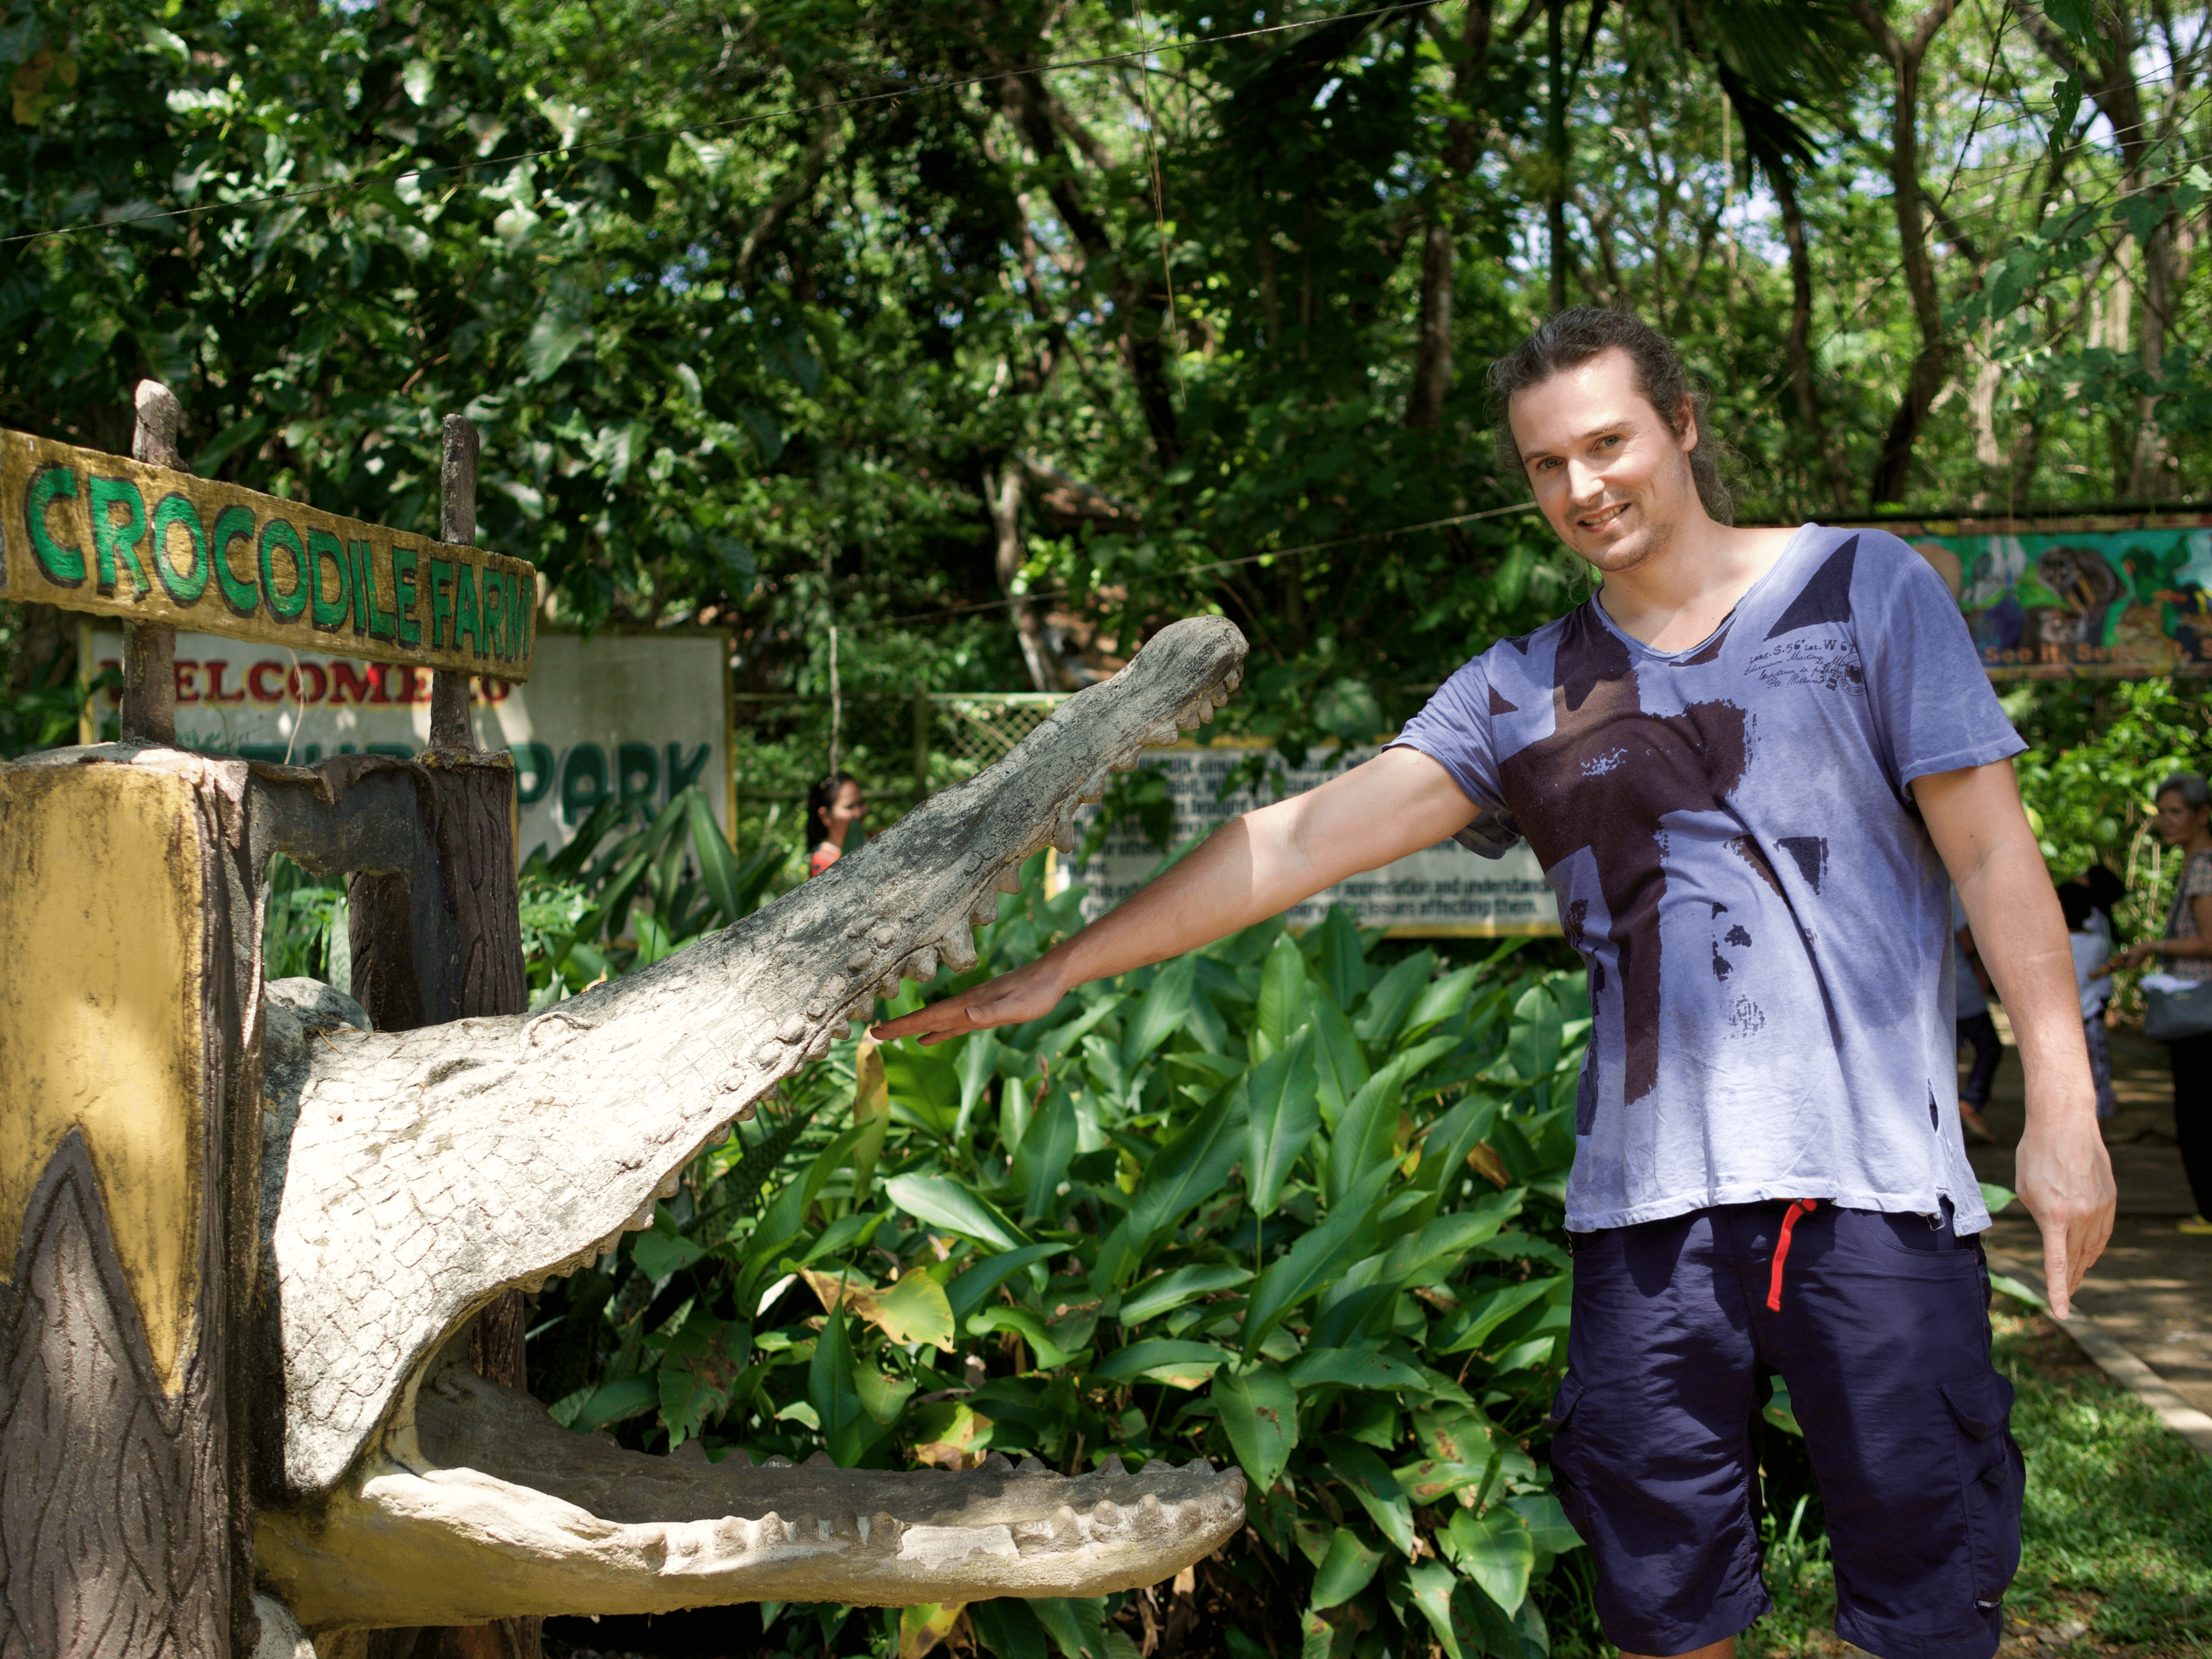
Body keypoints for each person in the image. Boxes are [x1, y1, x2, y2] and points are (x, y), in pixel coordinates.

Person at [879, 308, 2115, 1659]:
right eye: (1547, 465)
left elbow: (1995, 856)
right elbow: (1292, 841)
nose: (1585, 488)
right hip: (1646, 1224)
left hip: (1873, 1195)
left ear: (1683, 425)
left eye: (1609, 443)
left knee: (1929, 1611)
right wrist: (1062, 966)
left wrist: (2063, 1104)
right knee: (1664, 1613)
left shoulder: (1866, 587)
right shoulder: (1522, 690)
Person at [2115, 772, 2212, 1234]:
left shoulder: (2203, 866)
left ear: (2203, 816)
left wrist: (2155, 947)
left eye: (2177, 812)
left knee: (2196, 1113)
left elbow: (2210, 941)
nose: (2167, 822)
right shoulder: (2195, 862)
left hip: (2200, 1011)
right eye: (2163, 813)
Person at [2057, 880, 2117, 1119]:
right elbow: (2104, 988)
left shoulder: (2053, 943)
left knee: (2062, 1078)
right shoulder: (2098, 944)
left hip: (2059, 1022)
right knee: (2097, 1076)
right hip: (2090, 1019)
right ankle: (2097, 1128)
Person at [1954, 888, 2002, 1142]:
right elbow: (1967, 942)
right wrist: (1983, 972)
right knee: (1990, 1046)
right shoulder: (1950, 888)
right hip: (1961, 986)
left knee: (1950, 1051)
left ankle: (1952, 1112)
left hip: (1935, 987)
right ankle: (1969, 1102)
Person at [806, 771, 866, 878]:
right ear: (825, 816)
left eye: (861, 803)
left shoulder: (874, 837)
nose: (859, 813)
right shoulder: (824, 861)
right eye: (849, 807)